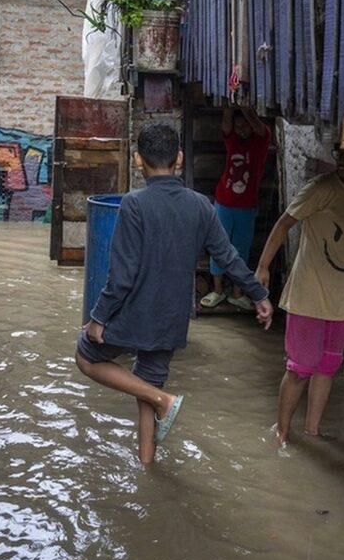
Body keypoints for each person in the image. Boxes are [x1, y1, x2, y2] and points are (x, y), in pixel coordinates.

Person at [76, 123, 275, 464]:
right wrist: (259, 294)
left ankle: (164, 400)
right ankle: (147, 465)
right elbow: (227, 256)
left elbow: (121, 277)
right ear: (179, 158)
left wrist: (97, 319)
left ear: (138, 161)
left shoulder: (133, 205)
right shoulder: (200, 205)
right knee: (145, 392)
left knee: (86, 356)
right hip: (172, 317)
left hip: (134, 313)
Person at [255, 111, 344, 444]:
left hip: (343, 301)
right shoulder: (320, 189)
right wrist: (263, 267)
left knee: (328, 367)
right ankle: (283, 431)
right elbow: (284, 223)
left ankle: (313, 431)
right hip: (307, 295)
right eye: (339, 154)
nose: (342, 161)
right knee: (300, 368)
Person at [200, 105, 271, 311]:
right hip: (223, 202)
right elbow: (227, 123)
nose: (240, 130)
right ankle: (218, 290)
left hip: (247, 207)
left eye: (244, 126)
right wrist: (231, 105)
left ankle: (237, 293)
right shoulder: (232, 140)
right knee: (218, 247)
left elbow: (258, 126)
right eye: (238, 126)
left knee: (241, 249)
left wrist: (245, 107)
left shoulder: (261, 141)